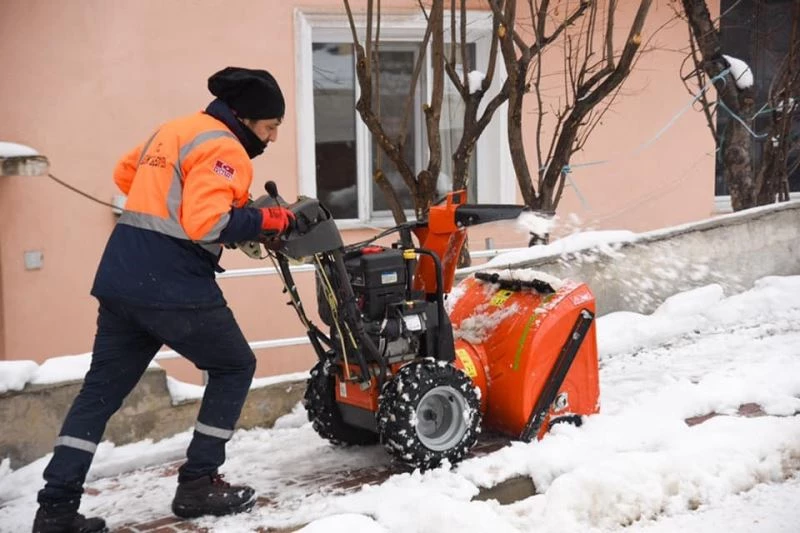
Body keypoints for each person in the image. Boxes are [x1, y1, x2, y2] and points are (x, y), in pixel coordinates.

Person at [32, 66, 295, 533]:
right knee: (235, 366)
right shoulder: (226, 149)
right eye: (270, 127)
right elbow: (206, 225)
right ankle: (197, 483)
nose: (273, 138)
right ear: (246, 117)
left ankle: (55, 509)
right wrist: (265, 222)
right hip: (173, 285)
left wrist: (178, 205)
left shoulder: (176, 129)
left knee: (99, 393)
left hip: (121, 277)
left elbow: (124, 173)